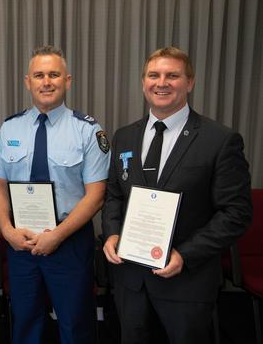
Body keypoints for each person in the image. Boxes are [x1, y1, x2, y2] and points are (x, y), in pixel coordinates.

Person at [101, 46, 252, 344]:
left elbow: (236, 213)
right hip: (131, 281)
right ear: (143, 82)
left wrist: (185, 255)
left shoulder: (220, 140)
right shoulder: (124, 136)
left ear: (190, 82)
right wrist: (111, 234)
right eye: (153, 75)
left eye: (173, 75)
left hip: (187, 282)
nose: (162, 82)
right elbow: (115, 195)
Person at [0, 45, 110, 344]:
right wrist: (6, 231)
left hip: (68, 241)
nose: (47, 81)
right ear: (27, 81)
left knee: (75, 323)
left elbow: (96, 195)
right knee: (26, 322)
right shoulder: (10, 128)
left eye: (54, 75)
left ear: (67, 80)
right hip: (22, 240)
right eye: (39, 75)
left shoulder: (87, 130)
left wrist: (57, 235)